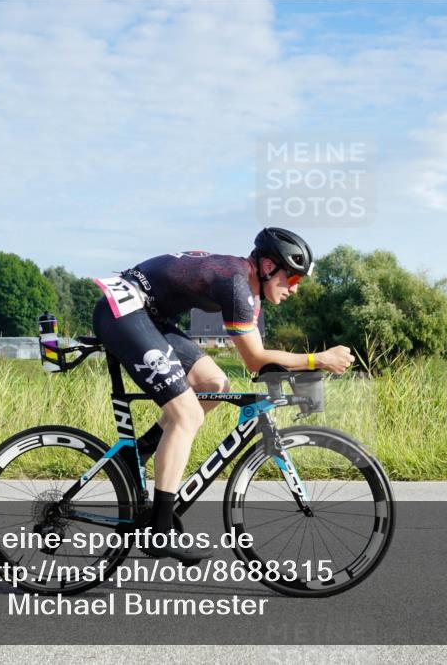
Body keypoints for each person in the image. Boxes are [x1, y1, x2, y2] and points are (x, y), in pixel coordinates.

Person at [91, 227, 354, 563]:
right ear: (269, 266)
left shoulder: (247, 288)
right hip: (124, 313)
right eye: (292, 279)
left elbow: (257, 364)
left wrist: (300, 371)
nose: (294, 290)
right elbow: (255, 359)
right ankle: (158, 532)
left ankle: (137, 454)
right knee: (186, 416)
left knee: (216, 386)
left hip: (149, 316)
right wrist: (320, 359)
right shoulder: (236, 284)